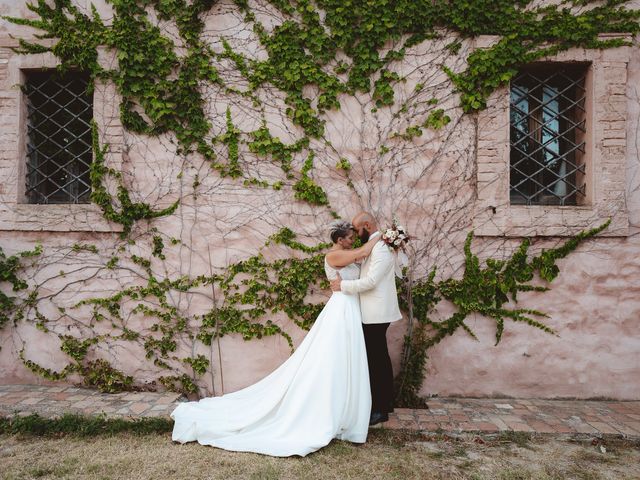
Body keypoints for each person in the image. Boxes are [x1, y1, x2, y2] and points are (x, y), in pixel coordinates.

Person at [171, 220, 379, 457]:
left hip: (350, 307)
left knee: (345, 358)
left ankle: (345, 412)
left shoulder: (347, 253)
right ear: (340, 240)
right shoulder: (333, 256)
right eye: (350, 238)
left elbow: (363, 259)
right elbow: (363, 252)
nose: (354, 241)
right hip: (341, 309)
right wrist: (386, 236)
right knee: (332, 358)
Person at [330, 212, 402, 426]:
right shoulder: (377, 243)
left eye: (357, 229)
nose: (354, 233)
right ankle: (383, 404)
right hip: (371, 310)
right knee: (377, 357)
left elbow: (371, 281)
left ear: (367, 226)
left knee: (377, 359)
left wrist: (342, 286)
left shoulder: (380, 246)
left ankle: (380, 409)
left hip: (376, 312)